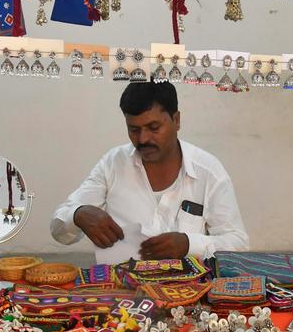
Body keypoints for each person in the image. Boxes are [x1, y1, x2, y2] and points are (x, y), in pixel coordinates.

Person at [50, 81, 249, 263]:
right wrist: (78, 214)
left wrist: (189, 245)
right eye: (134, 130)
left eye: (154, 127)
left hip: (187, 295)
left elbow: (239, 244)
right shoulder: (113, 164)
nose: (143, 138)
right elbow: (59, 231)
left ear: (176, 120)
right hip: (121, 295)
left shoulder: (208, 171)